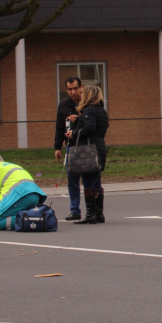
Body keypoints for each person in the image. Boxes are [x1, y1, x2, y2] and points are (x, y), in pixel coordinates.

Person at [55, 76, 97, 222]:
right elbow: (59, 126)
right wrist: (57, 146)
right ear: (66, 89)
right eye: (70, 89)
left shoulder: (88, 103)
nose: (73, 92)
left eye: (75, 88)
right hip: (70, 147)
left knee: (89, 179)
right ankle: (75, 210)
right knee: (72, 179)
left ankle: (93, 211)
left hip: (86, 145)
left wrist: (78, 119)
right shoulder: (63, 105)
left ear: (81, 87)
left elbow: (91, 124)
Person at [65, 85, 109, 224]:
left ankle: (90, 214)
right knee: (96, 180)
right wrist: (78, 121)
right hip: (99, 147)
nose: (81, 95)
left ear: (88, 95)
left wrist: (74, 132)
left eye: (83, 93)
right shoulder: (101, 110)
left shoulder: (88, 110)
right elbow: (96, 127)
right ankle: (99, 213)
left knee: (88, 180)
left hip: (89, 149)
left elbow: (90, 128)